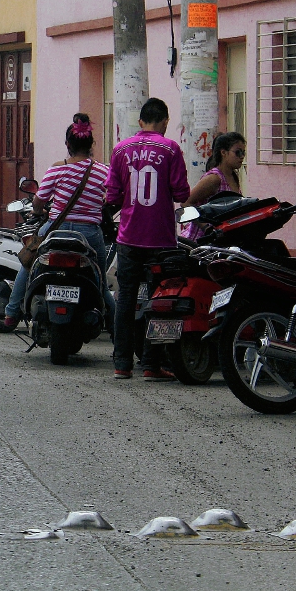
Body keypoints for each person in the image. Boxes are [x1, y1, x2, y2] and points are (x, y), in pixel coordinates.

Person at [104, 98, 190, 381]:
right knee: (160, 301)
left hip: (128, 237)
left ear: (140, 122)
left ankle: (121, 364)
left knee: (126, 299)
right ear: (165, 121)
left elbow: (112, 196)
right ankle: (152, 365)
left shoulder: (120, 149)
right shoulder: (171, 149)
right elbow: (181, 193)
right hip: (161, 241)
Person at [3, 113, 115, 328]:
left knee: (28, 263)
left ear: (67, 144)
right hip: (90, 233)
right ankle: (114, 326)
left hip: (55, 230)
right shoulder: (103, 171)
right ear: (91, 143)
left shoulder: (57, 168)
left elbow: (39, 201)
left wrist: (37, 211)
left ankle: (12, 312)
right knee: (99, 281)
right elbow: (111, 198)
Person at [179, 132, 246, 240]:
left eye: (243, 152)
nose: (242, 157)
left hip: (219, 243)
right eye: (237, 152)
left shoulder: (233, 177)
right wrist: (206, 227)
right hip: (200, 243)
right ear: (223, 153)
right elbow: (186, 202)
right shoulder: (214, 178)